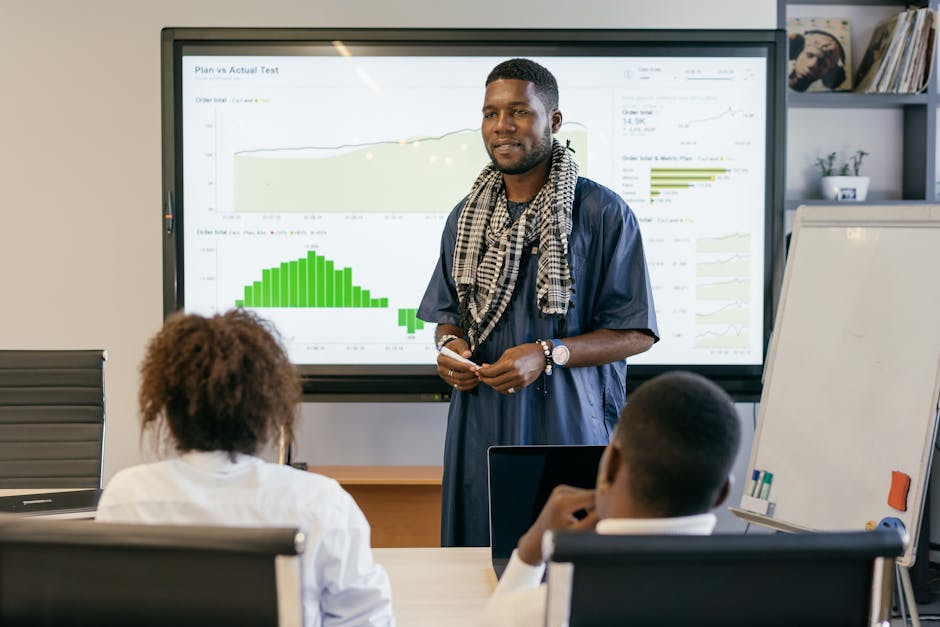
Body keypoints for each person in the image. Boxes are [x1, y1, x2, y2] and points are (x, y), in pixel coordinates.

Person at [418, 58, 659, 547]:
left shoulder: (601, 212)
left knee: (568, 577)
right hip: (478, 430)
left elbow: (636, 332)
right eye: (490, 114)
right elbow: (448, 321)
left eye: (518, 112)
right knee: (475, 573)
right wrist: (451, 351)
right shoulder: (464, 218)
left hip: (568, 431)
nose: (502, 127)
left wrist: (547, 354)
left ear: (552, 122)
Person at [95, 310, 394, 627]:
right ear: (268, 415)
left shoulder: (126, 497)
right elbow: (367, 620)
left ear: (167, 412)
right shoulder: (319, 502)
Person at [479, 370, 742, 626]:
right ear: (722, 494)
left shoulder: (540, 611)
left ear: (612, 463)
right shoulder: (755, 601)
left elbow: (497, 619)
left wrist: (530, 552)